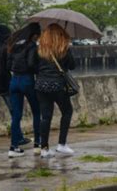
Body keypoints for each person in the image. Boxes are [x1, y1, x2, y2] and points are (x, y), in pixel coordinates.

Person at [35, 23, 76, 158]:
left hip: (41, 86)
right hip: (58, 86)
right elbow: (72, 66)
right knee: (67, 111)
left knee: (45, 117)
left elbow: (33, 66)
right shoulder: (63, 48)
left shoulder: (40, 49)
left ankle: (44, 149)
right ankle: (61, 144)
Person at [7, 22, 42, 158]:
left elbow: (8, 64)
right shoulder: (32, 45)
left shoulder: (14, 45)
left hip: (14, 80)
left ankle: (13, 147)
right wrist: (37, 69)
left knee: (16, 115)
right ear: (34, 35)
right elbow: (32, 64)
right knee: (36, 111)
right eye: (38, 36)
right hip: (27, 80)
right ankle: (37, 144)